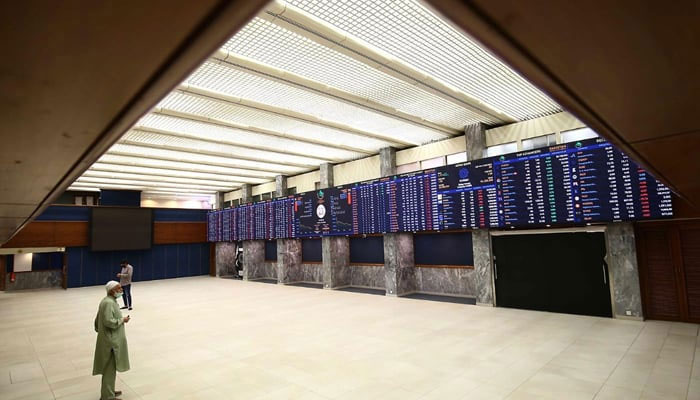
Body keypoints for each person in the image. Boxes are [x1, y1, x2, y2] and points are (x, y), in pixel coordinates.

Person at [93, 280, 130, 400]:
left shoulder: (107, 301)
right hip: (111, 343)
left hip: (108, 340)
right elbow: (108, 321)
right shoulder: (109, 303)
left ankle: (109, 390)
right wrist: (122, 320)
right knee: (109, 369)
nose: (121, 290)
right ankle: (107, 396)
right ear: (112, 291)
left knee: (110, 369)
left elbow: (97, 322)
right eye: (118, 288)